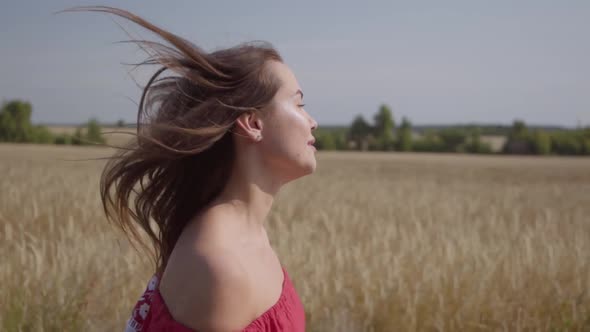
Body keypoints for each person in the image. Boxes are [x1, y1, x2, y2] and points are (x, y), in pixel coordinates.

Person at [60, 6, 318, 332]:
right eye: (299, 104)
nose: (313, 121)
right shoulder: (220, 268)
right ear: (253, 123)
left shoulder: (247, 236)